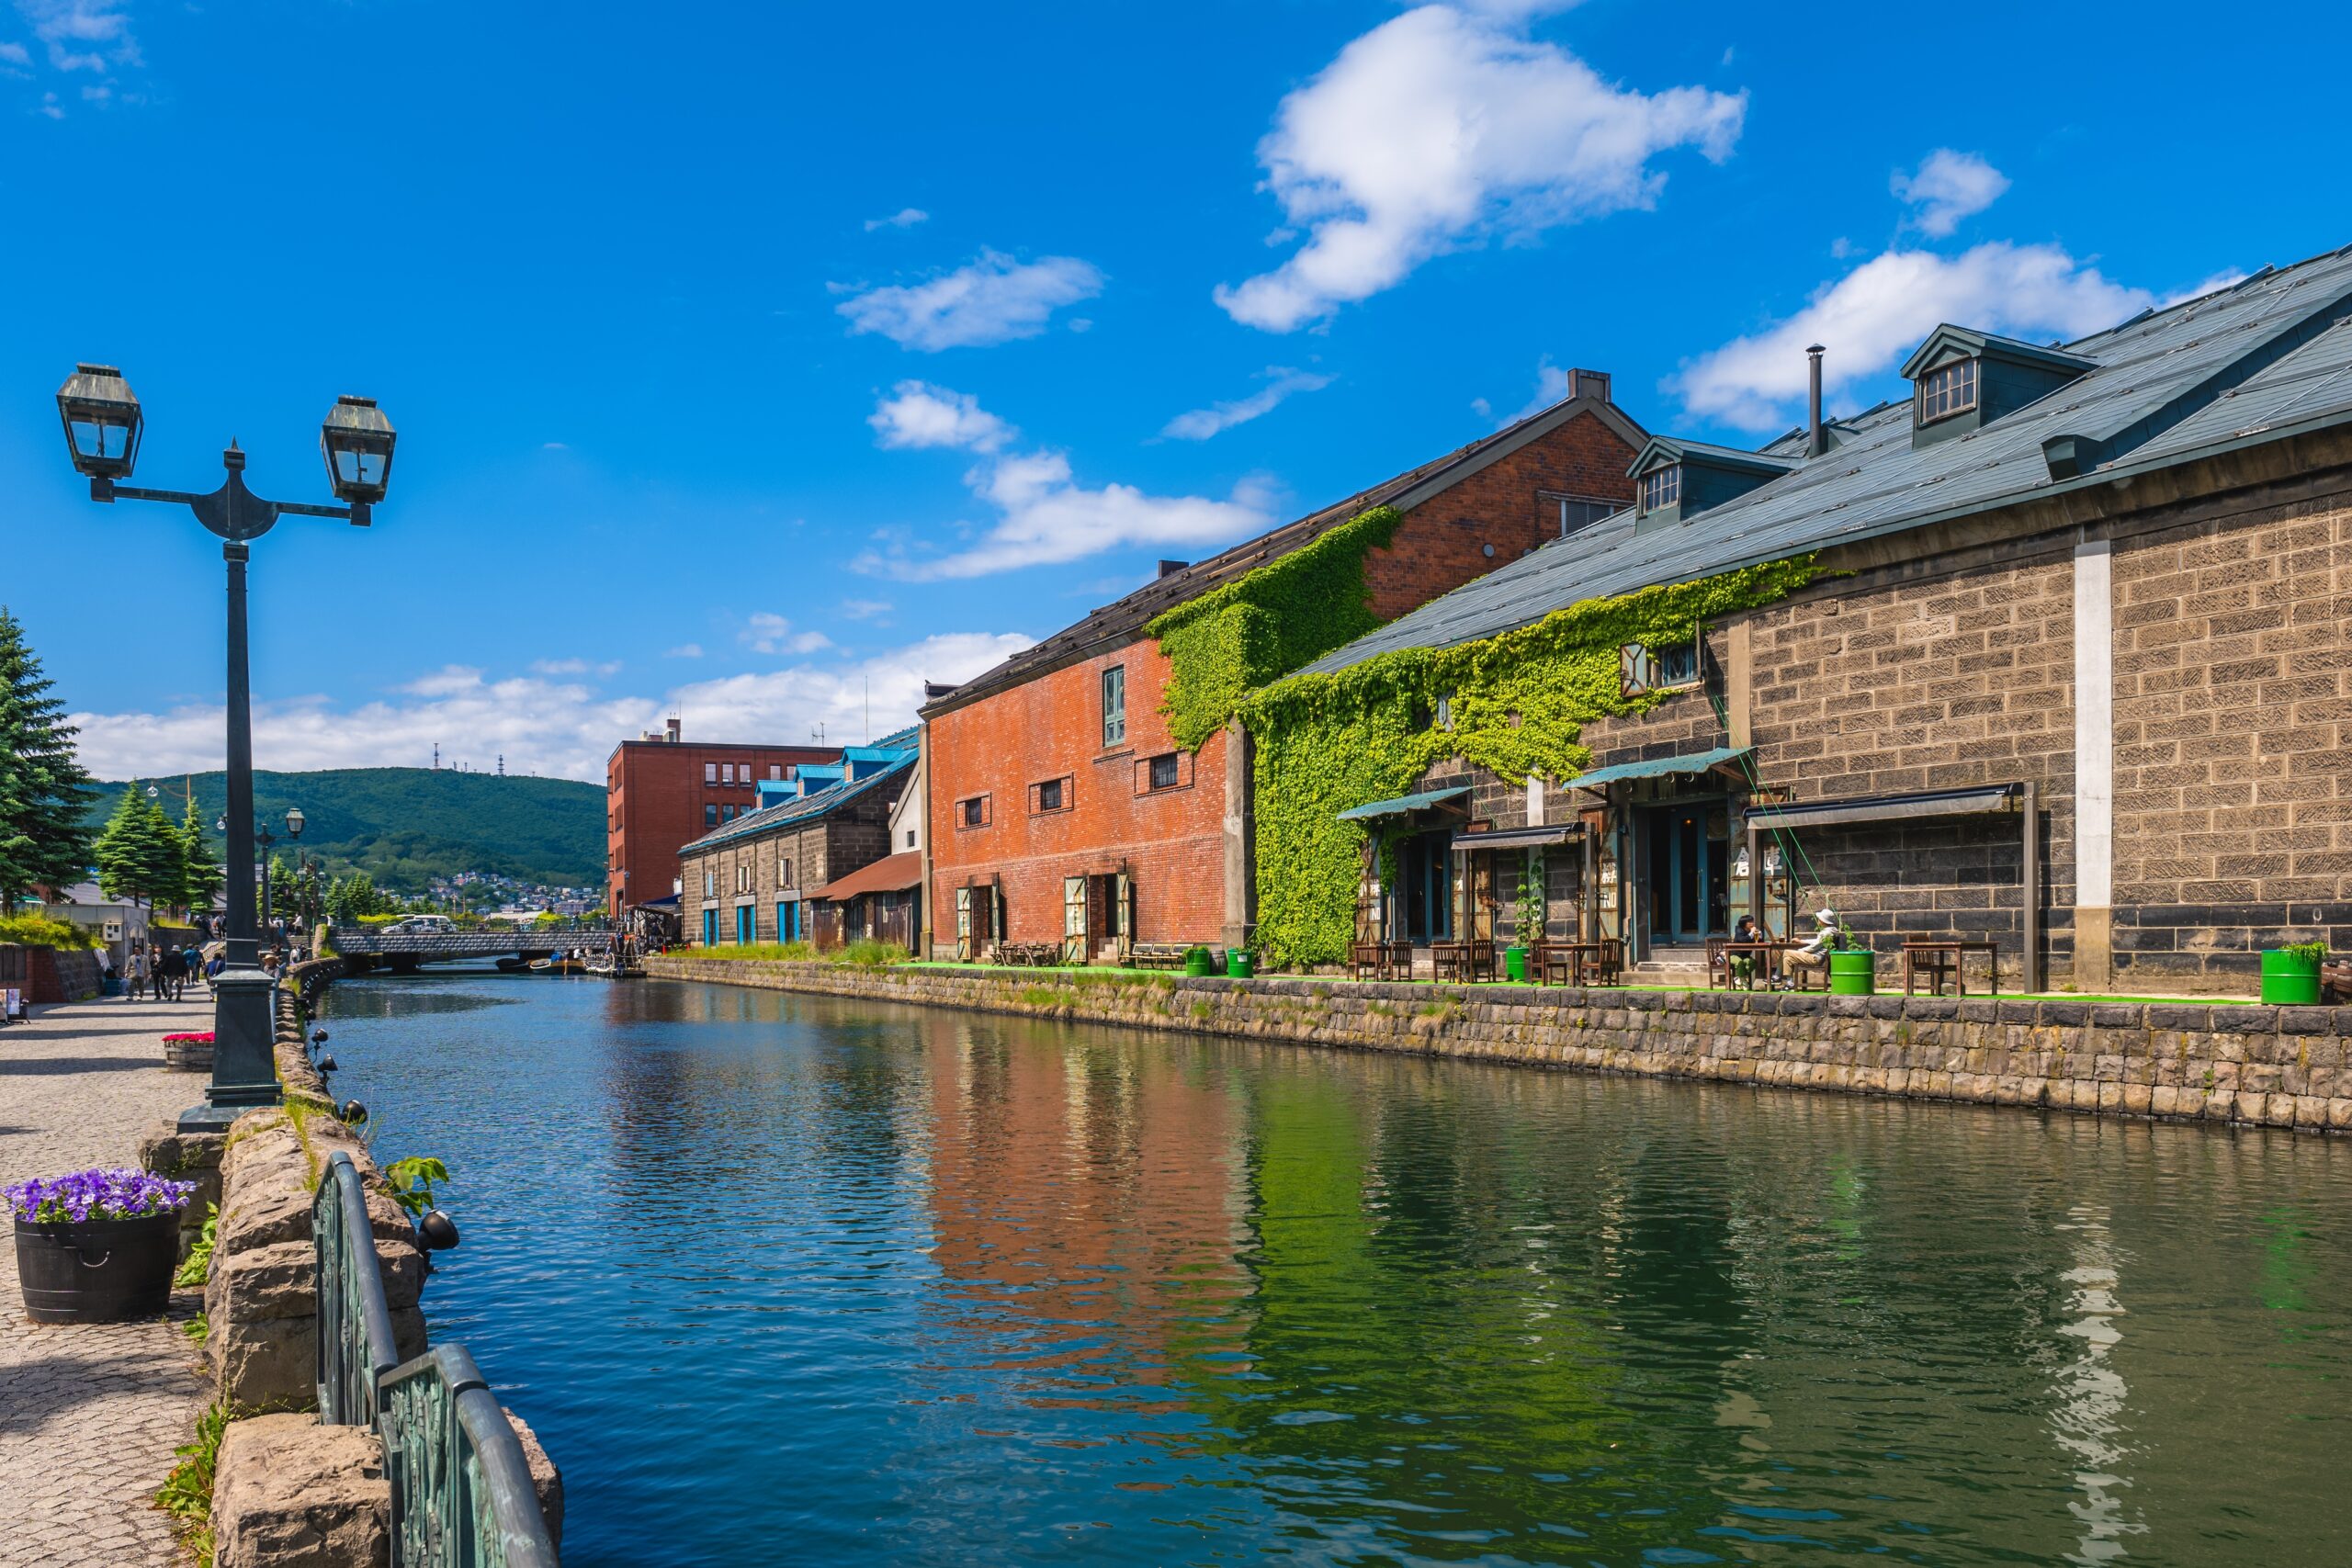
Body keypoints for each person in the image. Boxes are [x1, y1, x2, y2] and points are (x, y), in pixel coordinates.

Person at [1782, 908, 1838, 988]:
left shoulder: (1826, 933)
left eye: (1819, 919)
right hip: (1815, 956)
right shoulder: (1829, 931)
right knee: (1787, 959)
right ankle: (1790, 983)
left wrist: (1800, 951)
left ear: (1823, 921)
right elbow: (1817, 941)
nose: (1818, 920)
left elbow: (1814, 947)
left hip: (1815, 958)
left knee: (1786, 952)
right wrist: (1801, 941)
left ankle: (1776, 977)